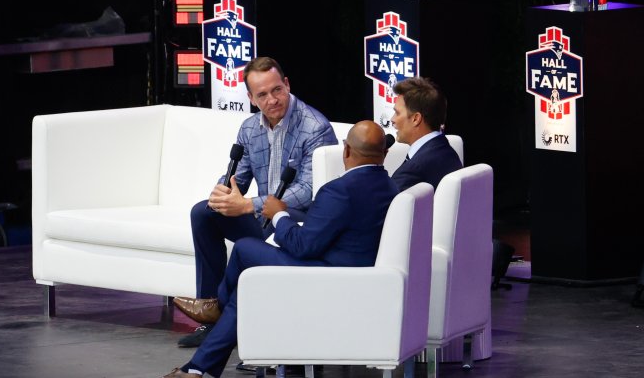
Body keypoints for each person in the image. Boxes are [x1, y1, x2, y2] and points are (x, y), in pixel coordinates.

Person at [164, 121, 400, 378]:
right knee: (244, 293)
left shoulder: (339, 190)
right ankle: (198, 369)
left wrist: (279, 216)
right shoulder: (390, 186)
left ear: (346, 151)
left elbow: (303, 246)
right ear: (385, 153)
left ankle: (216, 308)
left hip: (327, 276)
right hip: (354, 273)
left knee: (244, 249)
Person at [180, 57, 338, 348]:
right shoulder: (249, 128)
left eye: (277, 90)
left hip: (295, 225)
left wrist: (248, 205)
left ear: (287, 85)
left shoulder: (315, 127)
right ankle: (210, 315)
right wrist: (224, 195)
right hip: (260, 222)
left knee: (251, 217)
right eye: (262, 95)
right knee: (203, 213)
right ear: (251, 98)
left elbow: (309, 190)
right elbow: (236, 177)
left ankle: (238, 322)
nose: (272, 99)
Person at [390, 77, 462, 191]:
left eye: (397, 113)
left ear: (416, 119)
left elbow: (385, 207)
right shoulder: (447, 150)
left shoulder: (412, 171)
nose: (392, 119)